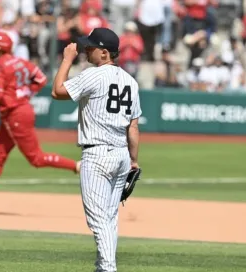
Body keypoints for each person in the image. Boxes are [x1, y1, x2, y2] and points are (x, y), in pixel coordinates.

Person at [51, 27, 142, 272]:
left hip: (97, 154)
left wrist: (67, 60)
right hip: (122, 154)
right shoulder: (130, 82)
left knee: (98, 219)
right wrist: (133, 160)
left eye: (90, 47)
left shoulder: (95, 75)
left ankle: (108, 268)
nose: (86, 50)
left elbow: (57, 91)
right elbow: (133, 125)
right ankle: (103, 267)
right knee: (109, 219)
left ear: (104, 53)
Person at [0, 31, 80, 209]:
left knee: (36, 158)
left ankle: (77, 166)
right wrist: (25, 93)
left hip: (14, 113)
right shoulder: (21, 62)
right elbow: (41, 78)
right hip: (21, 110)